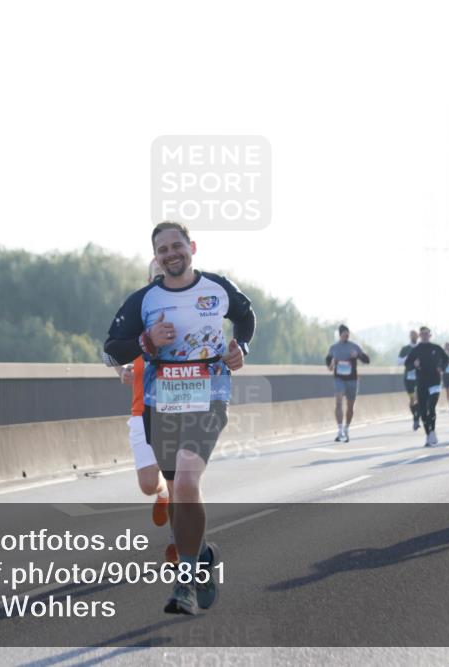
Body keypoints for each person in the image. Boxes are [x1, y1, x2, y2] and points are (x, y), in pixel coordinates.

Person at [103, 221, 255, 616]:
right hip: (162, 400)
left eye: (177, 246)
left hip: (210, 392)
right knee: (177, 490)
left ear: (192, 247)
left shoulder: (217, 288)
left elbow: (246, 315)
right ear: (156, 257)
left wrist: (242, 348)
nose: (171, 254)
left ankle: (184, 583)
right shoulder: (144, 300)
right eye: (162, 249)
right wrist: (147, 340)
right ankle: (200, 555)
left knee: (187, 479)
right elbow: (111, 349)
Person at [114, 260, 172, 559]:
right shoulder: (136, 313)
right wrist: (122, 370)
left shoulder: (187, 311)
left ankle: (182, 547)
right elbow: (113, 351)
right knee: (149, 485)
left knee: (183, 482)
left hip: (180, 409)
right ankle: (161, 494)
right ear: (150, 279)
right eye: (157, 276)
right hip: (142, 411)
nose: (163, 281)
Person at [325, 325, 371, 442]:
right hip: (339, 379)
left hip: (352, 380)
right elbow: (329, 367)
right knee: (338, 401)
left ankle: (346, 428)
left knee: (350, 407)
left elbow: (367, 360)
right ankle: (339, 429)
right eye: (345, 334)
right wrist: (332, 363)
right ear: (340, 334)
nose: (347, 336)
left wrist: (358, 355)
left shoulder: (354, 346)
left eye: (348, 334)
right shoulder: (333, 348)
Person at [404, 327, 448, 447]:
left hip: (435, 381)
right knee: (423, 410)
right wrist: (414, 364)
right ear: (419, 335)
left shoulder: (436, 348)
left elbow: (446, 359)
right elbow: (407, 365)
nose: (424, 336)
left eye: (426, 334)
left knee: (431, 406)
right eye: (422, 334)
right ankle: (428, 434)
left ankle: (432, 430)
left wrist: (441, 368)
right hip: (421, 383)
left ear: (430, 335)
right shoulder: (416, 350)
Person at [398, 330, 421, 431]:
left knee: (419, 398)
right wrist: (409, 357)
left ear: (418, 336)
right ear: (409, 336)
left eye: (415, 335)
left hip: (420, 377)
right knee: (412, 399)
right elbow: (399, 362)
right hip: (409, 377)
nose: (414, 336)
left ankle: (417, 419)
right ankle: (415, 416)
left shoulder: (421, 347)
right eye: (412, 335)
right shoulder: (405, 349)